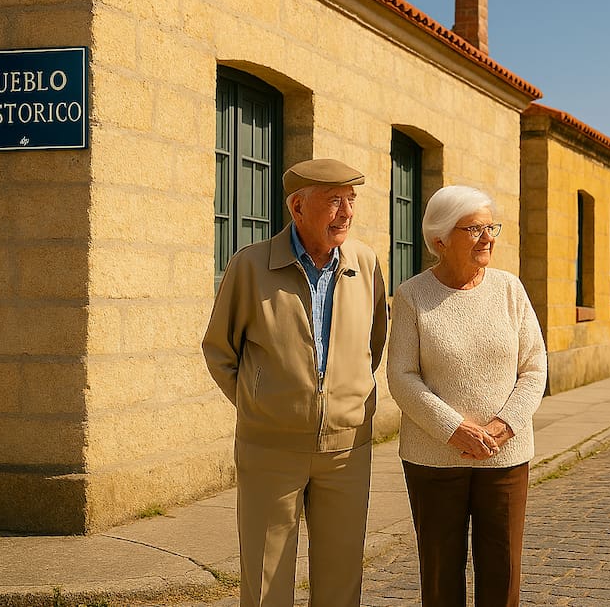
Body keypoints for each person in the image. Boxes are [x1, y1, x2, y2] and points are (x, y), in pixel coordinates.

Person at [202, 158, 387, 607]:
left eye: (351, 200)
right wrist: (261, 402)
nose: (346, 213)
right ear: (297, 207)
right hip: (270, 449)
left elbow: (374, 342)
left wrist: (346, 397)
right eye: (334, 201)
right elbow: (219, 350)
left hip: (346, 450)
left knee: (341, 582)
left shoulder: (365, 263)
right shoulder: (249, 266)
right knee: (265, 584)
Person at [387, 185, 547, 607]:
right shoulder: (412, 296)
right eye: (474, 228)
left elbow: (534, 368)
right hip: (433, 458)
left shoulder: (510, 290)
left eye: (490, 226)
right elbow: (402, 377)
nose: (487, 237)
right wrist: (453, 429)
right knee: (440, 573)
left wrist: (503, 426)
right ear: (440, 239)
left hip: (505, 455)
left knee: (503, 569)